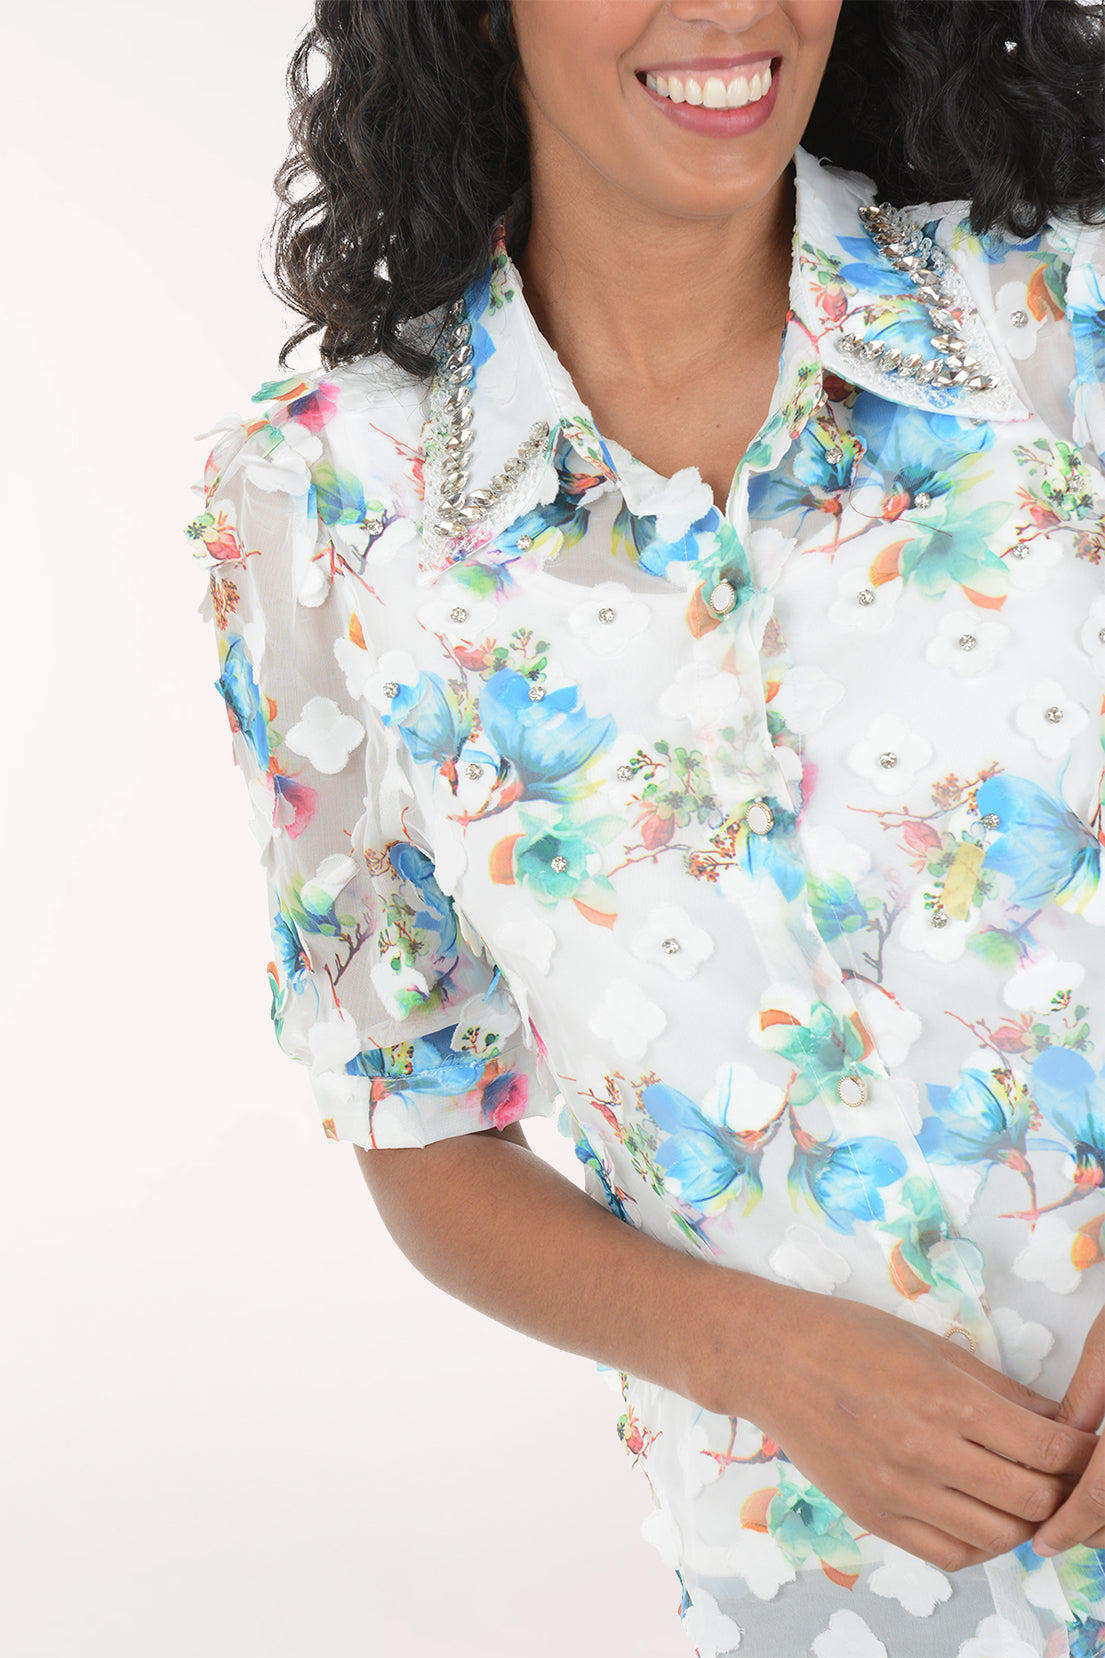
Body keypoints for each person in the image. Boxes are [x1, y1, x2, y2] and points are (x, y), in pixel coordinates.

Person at [188, 1, 1105, 1652]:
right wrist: (755, 1356)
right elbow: (415, 1108)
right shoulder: (324, 508)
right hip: (825, 1602)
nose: (736, 10)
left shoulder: (1068, 325)